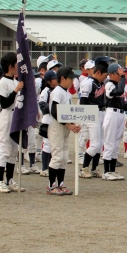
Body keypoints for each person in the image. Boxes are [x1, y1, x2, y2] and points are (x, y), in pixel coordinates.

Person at [47, 66, 81, 195]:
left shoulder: (66, 93)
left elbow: (67, 112)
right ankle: (51, 185)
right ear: (62, 78)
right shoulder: (57, 91)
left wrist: (73, 124)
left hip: (64, 126)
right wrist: (69, 125)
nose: (72, 81)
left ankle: (60, 183)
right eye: (70, 78)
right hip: (57, 126)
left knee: (64, 156)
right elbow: (55, 111)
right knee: (57, 155)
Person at [0, 53, 24, 193]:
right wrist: (16, 90)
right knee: (5, 147)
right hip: (6, 115)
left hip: (15, 116)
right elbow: (4, 103)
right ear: (11, 66)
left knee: (13, 149)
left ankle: (9, 179)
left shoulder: (14, 81)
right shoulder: (2, 83)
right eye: (16, 64)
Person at [79, 56, 110, 178]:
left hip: (101, 112)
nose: (105, 77)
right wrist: (85, 118)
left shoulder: (100, 82)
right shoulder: (88, 83)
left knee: (100, 143)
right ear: (98, 72)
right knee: (95, 143)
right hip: (91, 113)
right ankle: (84, 168)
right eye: (104, 75)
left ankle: (94, 168)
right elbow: (83, 101)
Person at [102, 63, 127, 180]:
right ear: (110, 74)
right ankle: (106, 172)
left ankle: (112, 170)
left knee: (116, 144)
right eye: (118, 73)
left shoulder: (118, 84)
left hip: (120, 114)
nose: (120, 76)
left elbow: (123, 103)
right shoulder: (109, 84)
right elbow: (118, 92)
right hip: (111, 114)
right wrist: (124, 79)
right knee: (110, 142)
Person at [38, 70, 58, 177]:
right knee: (47, 145)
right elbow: (42, 105)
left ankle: (50, 166)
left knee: (53, 145)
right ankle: (44, 168)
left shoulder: (59, 90)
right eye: (55, 78)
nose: (57, 80)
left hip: (55, 119)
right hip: (47, 118)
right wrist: (54, 109)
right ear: (49, 81)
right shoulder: (46, 91)